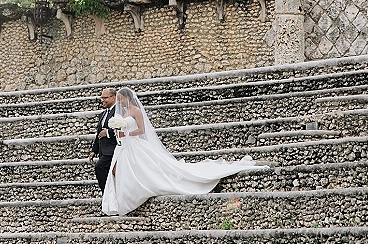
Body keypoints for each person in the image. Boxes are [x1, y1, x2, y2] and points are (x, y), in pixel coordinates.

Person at [102, 87, 267, 216]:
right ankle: (121, 200)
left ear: (127, 98)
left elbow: (142, 129)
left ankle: (132, 197)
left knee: (137, 170)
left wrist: (128, 133)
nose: (120, 102)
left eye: (121, 99)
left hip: (135, 144)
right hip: (123, 146)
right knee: (118, 171)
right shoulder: (123, 113)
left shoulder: (136, 111)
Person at [89, 87, 118, 192]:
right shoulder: (103, 114)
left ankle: (107, 194)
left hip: (113, 149)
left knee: (99, 167)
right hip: (103, 150)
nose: (102, 100)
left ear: (113, 98)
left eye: (105, 98)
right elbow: (99, 134)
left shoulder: (118, 111)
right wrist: (94, 150)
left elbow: (124, 128)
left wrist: (109, 132)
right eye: (101, 98)